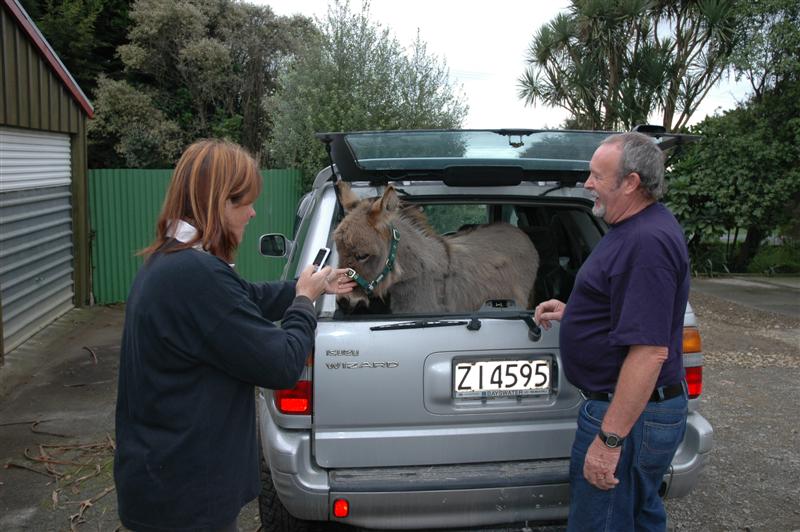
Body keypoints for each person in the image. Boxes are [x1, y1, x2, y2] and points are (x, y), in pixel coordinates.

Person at [114, 139, 355, 532]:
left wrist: (309, 284)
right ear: (220, 203)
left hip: (165, 484)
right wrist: (304, 304)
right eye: (245, 202)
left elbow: (241, 297)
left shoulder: (174, 260)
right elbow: (282, 363)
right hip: (184, 502)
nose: (253, 212)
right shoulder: (195, 276)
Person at [534, 132, 690, 531]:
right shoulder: (635, 227)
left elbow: (649, 352)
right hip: (633, 414)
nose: (587, 184)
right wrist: (578, 313)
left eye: (597, 176)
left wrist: (609, 443)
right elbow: (628, 308)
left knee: (601, 523)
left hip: (629, 419)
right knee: (638, 516)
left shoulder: (646, 244)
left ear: (631, 182)